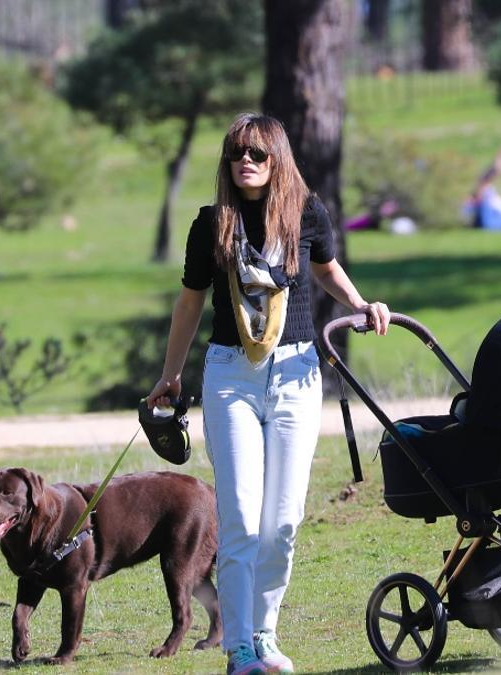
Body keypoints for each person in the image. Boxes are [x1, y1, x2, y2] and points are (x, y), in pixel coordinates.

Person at [145, 112, 391, 675]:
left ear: (276, 159)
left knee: (283, 522)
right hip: (232, 375)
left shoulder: (306, 212)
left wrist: (361, 305)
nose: (245, 163)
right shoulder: (212, 224)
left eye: (257, 154)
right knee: (240, 520)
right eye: (237, 154)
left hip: (297, 374)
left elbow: (327, 270)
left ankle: (265, 634)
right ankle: (239, 652)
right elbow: (189, 303)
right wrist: (171, 374)